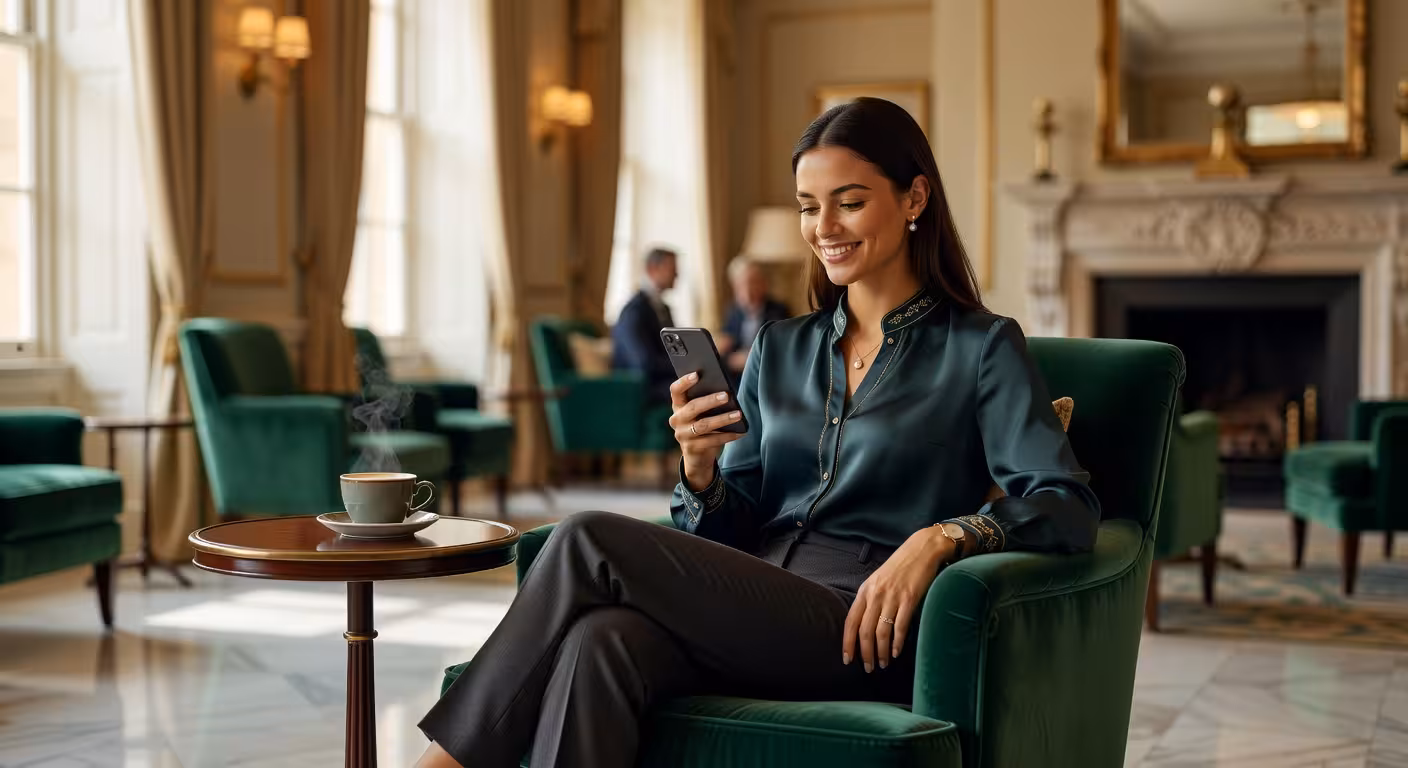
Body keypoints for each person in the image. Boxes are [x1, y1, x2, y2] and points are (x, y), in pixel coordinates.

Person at [415, 97, 1100, 768]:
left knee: (586, 535)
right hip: (751, 603)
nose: (823, 225)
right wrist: (702, 471)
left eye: (850, 201)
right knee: (603, 640)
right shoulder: (781, 347)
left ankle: (441, 763)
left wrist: (945, 535)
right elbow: (730, 529)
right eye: (808, 205)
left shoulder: (982, 348)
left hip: (862, 625)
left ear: (915, 198)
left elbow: (1066, 503)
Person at [610, 247, 679, 405]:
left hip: (663, 380)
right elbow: (643, 364)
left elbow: (674, 352)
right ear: (652, 269)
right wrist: (688, 367)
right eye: (672, 269)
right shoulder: (633, 311)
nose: (677, 275)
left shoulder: (664, 309)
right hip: (642, 388)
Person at [717, 256, 790, 382]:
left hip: (766, 377)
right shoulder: (734, 311)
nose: (747, 290)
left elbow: (780, 349)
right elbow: (727, 343)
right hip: (738, 378)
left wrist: (749, 357)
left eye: (752, 283)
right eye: (740, 285)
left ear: (763, 284)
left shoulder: (778, 311)